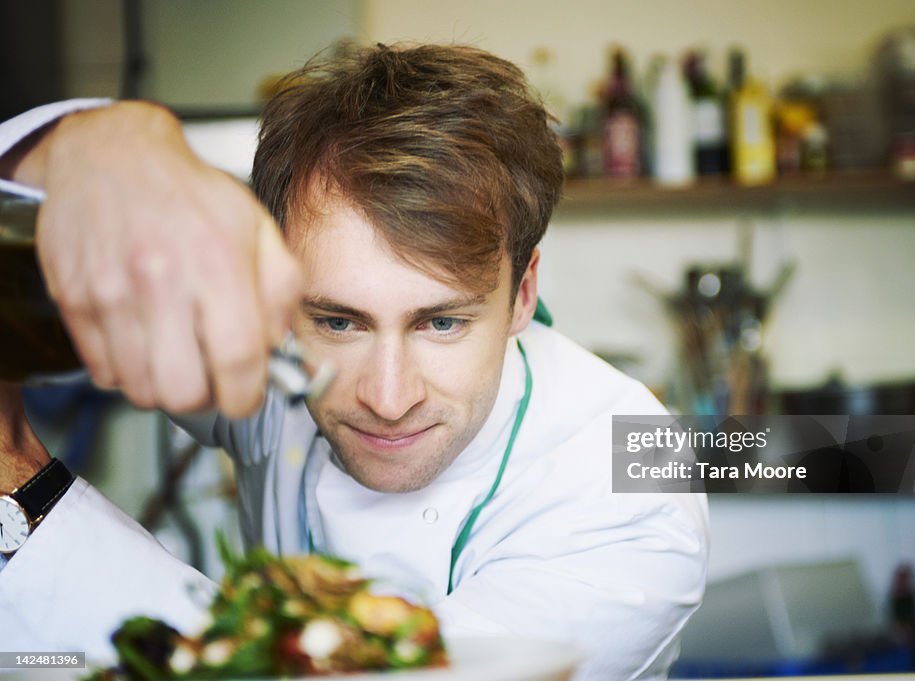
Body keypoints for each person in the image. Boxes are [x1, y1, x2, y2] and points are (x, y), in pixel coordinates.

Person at [0, 44, 708, 680]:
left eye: (442, 322)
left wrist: (21, 494)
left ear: (522, 293)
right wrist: (90, 143)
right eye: (339, 320)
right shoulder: (274, 346)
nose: (388, 396)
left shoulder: (638, 470)